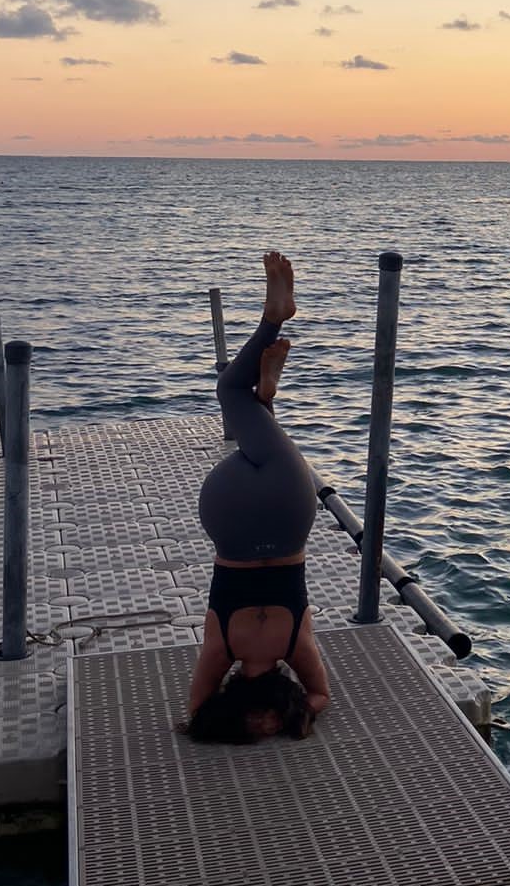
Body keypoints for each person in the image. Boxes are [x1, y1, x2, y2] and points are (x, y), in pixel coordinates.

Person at [182, 251, 330, 743]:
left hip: (275, 512)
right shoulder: (257, 650)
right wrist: (291, 720)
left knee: (241, 404)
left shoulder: (248, 651)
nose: (264, 723)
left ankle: (267, 393)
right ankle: (273, 328)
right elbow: (319, 696)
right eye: (270, 721)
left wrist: (286, 719)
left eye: (256, 723)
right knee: (229, 391)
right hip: (268, 517)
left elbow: (198, 713)